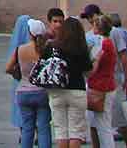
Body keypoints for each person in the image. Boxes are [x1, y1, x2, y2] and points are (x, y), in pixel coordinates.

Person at [39, 17, 93, 148]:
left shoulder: (51, 47)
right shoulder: (81, 48)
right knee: (76, 131)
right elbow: (88, 72)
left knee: (60, 131)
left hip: (56, 90)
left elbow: (43, 65)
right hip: (77, 90)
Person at [5, 16, 52, 148]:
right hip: (42, 92)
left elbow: (8, 68)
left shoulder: (20, 49)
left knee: (27, 128)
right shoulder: (46, 49)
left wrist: (18, 75)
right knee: (43, 128)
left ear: (30, 33)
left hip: (23, 91)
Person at [85, 13, 119, 148]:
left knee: (103, 126)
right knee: (102, 123)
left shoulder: (102, 45)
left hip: (100, 87)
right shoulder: (108, 43)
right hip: (106, 85)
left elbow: (92, 68)